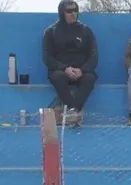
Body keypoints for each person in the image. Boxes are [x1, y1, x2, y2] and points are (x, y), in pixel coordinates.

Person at [42, 0, 98, 128]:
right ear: (62, 13)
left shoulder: (86, 31)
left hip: (82, 70)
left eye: (75, 10)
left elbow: (94, 56)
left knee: (90, 79)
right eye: (69, 11)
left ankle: (71, 112)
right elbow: (47, 58)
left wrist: (82, 70)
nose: (73, 13)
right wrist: (65, 68)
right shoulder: (51, 32)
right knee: (58, 77)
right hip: (60, 70)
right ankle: (75, 111)